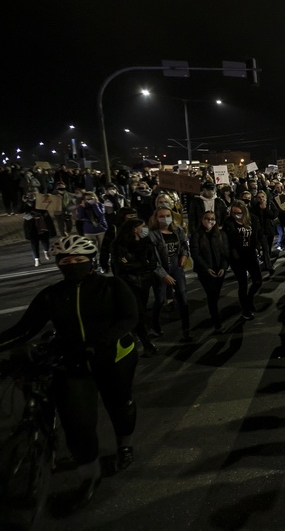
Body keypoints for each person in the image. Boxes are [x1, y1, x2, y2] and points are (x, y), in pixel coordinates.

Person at [0, 235, 140, 513]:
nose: (72, 264)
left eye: (79, 260)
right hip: (73, 364)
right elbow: (24, 329)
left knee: (119, 406)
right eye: (66, 260)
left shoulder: (112, 286)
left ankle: (125, 446)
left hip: (114, 359)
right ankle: (89, 475)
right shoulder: (51, 295)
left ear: (90, 262)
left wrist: (103, 342)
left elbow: (129, 318)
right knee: (78, 424)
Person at [111, 218, 160, 357]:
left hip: (144, 282)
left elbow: (152, 263)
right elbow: (121, 266)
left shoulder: (147, 242)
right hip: (129, 283)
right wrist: (141, 264)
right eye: (142, 226)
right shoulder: (119, 245)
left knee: (141, 311)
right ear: (134, 229)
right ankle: (147, 344)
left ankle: (138, 334)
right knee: (138, 312)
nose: (145, 228)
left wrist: (135, 265)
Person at [148, 207, 192, 341]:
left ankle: (186, 329)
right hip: (160, 269)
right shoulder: (152, 234)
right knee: (160, 300)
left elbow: (184, 245)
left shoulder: (177, 229)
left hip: (176, 266)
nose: (165, 218)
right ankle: (155, 327)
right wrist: (164, 275)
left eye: (168, 215)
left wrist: (184, 255)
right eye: (162, 216)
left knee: (183, 297)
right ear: (156, 218)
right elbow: (152, 259)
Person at [190, 210, 229, 334]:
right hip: (205, 271)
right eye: (207, 218)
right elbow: (196, 254)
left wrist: (223, 267)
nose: (210, 221)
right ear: (202, 220)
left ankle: (214, 314)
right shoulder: (197, 235)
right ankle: (217, 322)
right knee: (212, 295)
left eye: (212, 219)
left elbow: (225, 252)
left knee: (215, 294)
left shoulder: (221, 234)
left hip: (219, 270)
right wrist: (207, 269)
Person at [223, 200, 264, 320]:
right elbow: (227, 241)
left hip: (250, 254)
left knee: (258, 281)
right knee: (243, 283)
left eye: (239, 212)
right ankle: (245, 309)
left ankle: (249, 299)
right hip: (237, 257)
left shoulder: (253, 220)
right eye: (234, 212)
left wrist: (257, 247)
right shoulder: (229, 223)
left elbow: (258, 235)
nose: (236, 215)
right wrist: (232, 252)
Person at [21, 191, 56, 266]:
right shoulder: (26, 202)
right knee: (34, 242)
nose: (31, 196)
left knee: (45, 240)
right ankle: (37, 259)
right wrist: (24, 202)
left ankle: (46, 251)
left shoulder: (41, 200)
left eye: (33, 194)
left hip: (42, 222)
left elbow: (48, 207)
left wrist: (48, 198)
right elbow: (19, 210)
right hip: (32, 224)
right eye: (29, 194)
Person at [251, 190, 280, 278]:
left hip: (269, 230)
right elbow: (254, 218)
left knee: (269, 247)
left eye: (262, 197)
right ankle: (269, 267)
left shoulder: (270, 204)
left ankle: (265, 262)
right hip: (261, 231)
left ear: (266, 197)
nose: (261, 199)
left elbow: (274, 215)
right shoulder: (254, 207)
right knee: (265, 248)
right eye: (259, 197)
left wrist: (265, 209)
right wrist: (260, 209)